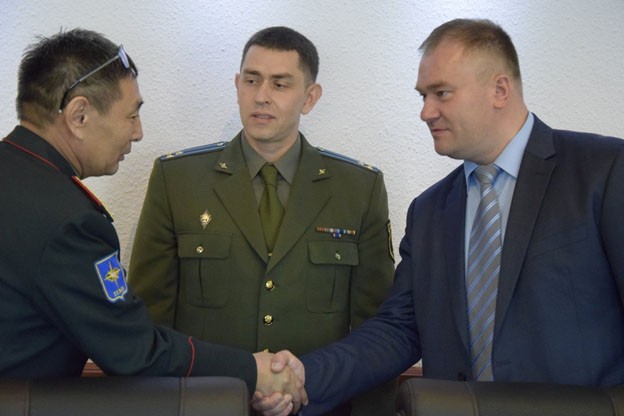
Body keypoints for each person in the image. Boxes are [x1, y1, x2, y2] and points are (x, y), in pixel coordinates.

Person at [256, 18, 624, 415]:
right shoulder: (430, 210)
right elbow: (399, 329)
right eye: (423, 96)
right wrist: (306, 376)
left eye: (441, 93)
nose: (426, 112)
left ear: (499, 90)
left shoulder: (603, 171)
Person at [0, 28, 306, 416]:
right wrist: (252, 369)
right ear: (79, 115)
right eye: (131, 115)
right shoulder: (67, 223)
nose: (138, 132)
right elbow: (132, 350)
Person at [128, 26, 396, 415]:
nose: (261, 96)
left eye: (280, 84)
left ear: (310, 98)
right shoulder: (178, 180)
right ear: (237, 85)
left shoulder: (358, 189)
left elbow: (377, 330)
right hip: (205, 406)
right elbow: (151, 317)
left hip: (319, 407)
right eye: (251, 80)